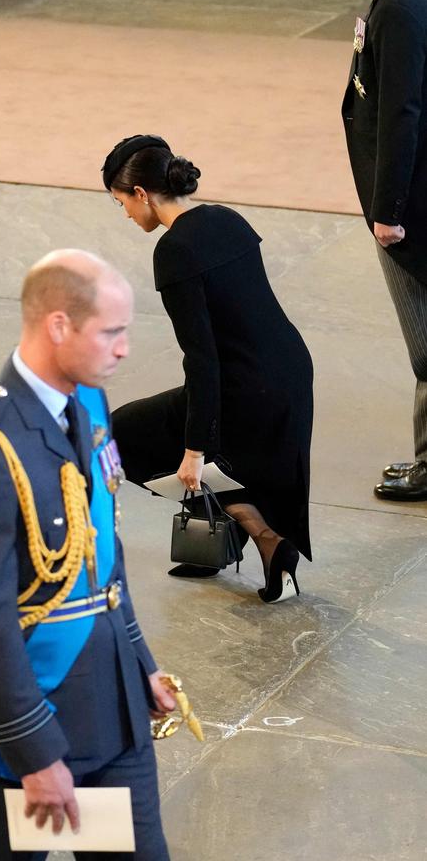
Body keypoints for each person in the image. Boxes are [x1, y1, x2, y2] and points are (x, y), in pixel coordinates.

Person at [0, 249, 173, 860]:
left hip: (112, 710)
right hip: (34, 730)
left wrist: (140, 661)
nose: (123, 349)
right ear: (59, 325)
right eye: (111, 333)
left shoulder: (88, 401)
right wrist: (36, 756)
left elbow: (101, 552)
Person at [102, 135, 313, 603]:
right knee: (219, 457)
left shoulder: (174, 251)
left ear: (142, 193)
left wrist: (196, 448)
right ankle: (236, 539)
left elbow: (202, 359)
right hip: (290, 369)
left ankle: (265, 538)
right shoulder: (226, 218)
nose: (126, 215)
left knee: (119, 436)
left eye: (122, 203)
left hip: (243, 384)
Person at [307, 0, 427, 500]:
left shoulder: (400, 6)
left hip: (413, 206)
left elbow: (402, 113)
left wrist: (389, 210)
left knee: (425, 342)